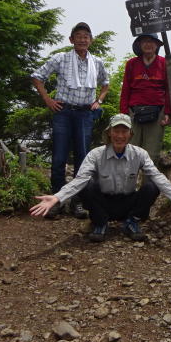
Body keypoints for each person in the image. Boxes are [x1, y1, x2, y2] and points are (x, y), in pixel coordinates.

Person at [30, 114, 171, 242]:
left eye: (124, 131)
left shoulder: (139, 154)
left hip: (128, 202)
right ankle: (100, 223)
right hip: (103, 203)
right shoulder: (95, 154)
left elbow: (157, 175)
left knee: (151, 186)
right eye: (116, 131)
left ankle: (132, 221)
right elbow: (79, 180)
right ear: (109, 133)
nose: (119, 135)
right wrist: (57, 198)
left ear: (130, 134)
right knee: (87, 185)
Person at [31, 22, 109, 219]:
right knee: (59, 158)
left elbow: (105, 84)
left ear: (91, 41)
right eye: (79, 36)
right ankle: (55, 201)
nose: (82, 39)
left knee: (83, 160)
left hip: (85, 114)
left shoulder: (97, 62)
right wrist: (47, 99)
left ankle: (78, 202)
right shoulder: (61, 58)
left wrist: (99, 101)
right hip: (63, 112)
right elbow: (37, 76)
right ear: (71, 39)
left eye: (86, 36)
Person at [120, 33, 171, 163]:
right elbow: (125, 89)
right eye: (144, 41)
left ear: (157, 45)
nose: (148, 44)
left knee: (152, 152)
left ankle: (148, 183)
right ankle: (129, 182)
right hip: (134, 111)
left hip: (157, 112)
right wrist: (123, 113)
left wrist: (168, 112)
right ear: (139, 45)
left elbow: (169, 89)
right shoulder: (132, 64)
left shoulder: (164, 63)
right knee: (131, 149)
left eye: (152, 41)